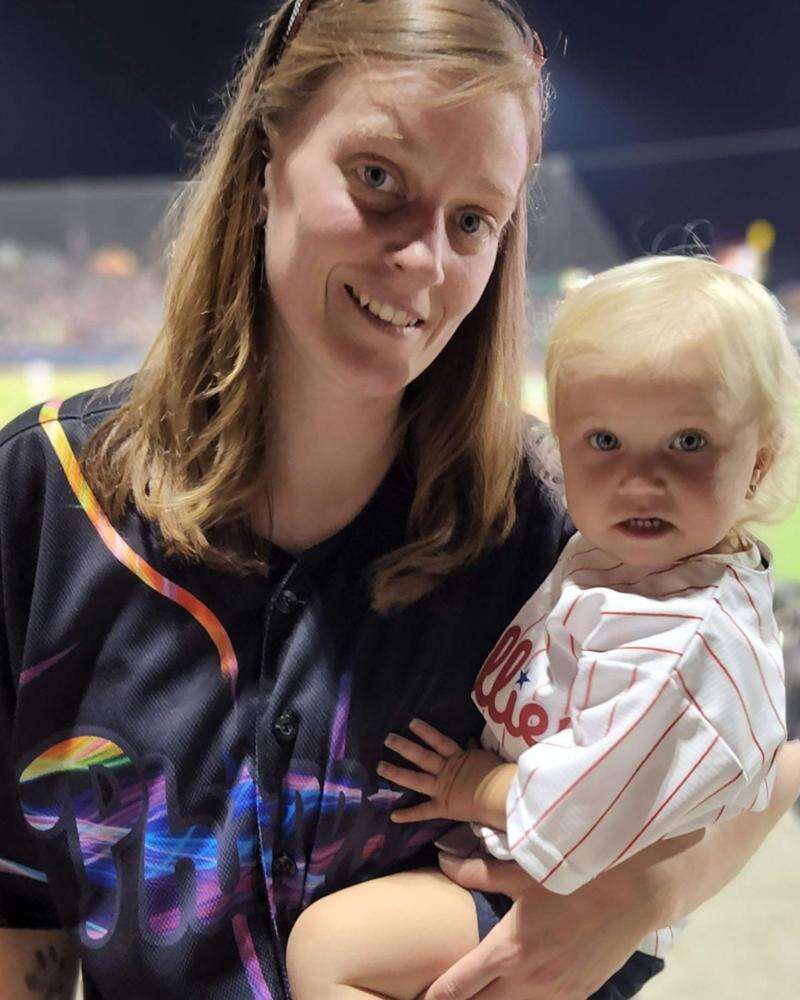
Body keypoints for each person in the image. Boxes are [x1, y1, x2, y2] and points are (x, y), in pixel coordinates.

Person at [1, 3, 799, 999]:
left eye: (472, 220)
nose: (422, 260)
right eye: (377, 179)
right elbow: (20, 904)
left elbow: (762, 759)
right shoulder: (44, 498)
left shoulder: (557, 527)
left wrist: (641, 898)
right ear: (264, 162)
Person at [284, 254, 800, 998]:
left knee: (331, 951)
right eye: (603, 441)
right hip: (532, 871)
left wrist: (473, 785)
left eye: (689, 442)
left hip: (558, 902)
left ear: (759, 462)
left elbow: (578, 813)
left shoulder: (686, 641)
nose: (639, 479)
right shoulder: (632, 561)